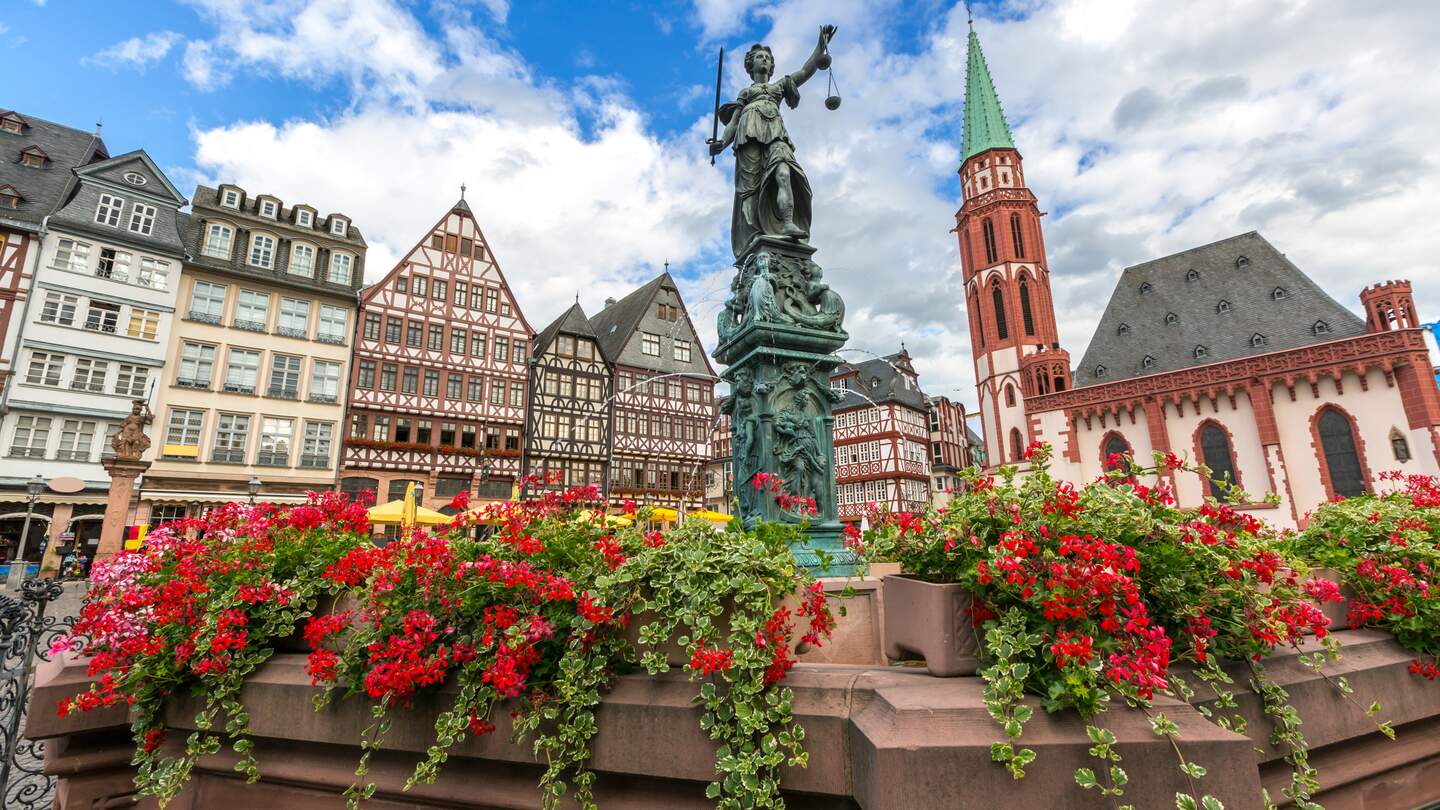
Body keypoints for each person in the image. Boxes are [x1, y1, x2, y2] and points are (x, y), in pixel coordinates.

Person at [710, 26, 837, 257]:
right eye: (760, 57)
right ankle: (754, 235)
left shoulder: (778, 87)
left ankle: (788, 222)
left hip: (776, 134)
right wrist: (722, 142)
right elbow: (733, 123)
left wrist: (820, 46)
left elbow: (805, 71)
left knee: (784, 172)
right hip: (748, 135)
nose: (765, 60)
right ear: (751, 65)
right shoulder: (746, 94)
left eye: (768, 58)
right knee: (751, 189)